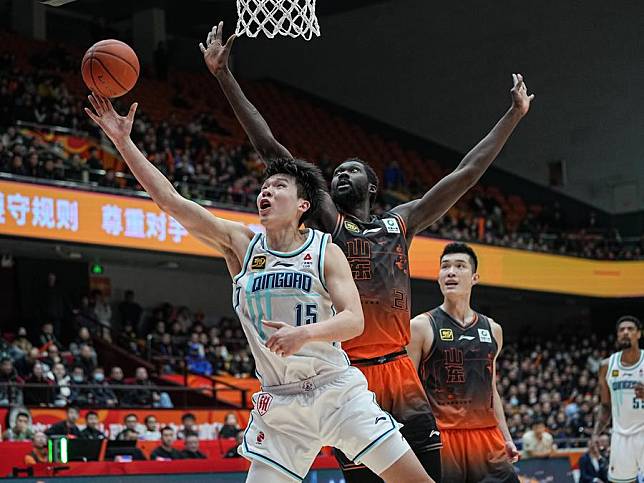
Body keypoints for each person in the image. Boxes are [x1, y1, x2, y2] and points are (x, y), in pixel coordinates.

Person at [202, 21, 534, 483]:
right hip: (350, 378)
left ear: (372, 185)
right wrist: (224, 76)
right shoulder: (327, 223)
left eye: (352, 170)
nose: (341, 174)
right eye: (336, 170)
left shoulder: (403, 222)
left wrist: (513, 116)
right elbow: (269, 148)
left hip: (400, 372)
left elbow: (466, 173)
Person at [86, 93, 434, 483]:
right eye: (263, 187)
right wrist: (122, 142)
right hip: (280, 403)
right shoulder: (241, 245)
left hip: (337, 392)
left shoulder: (325, 250)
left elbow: (354, 321)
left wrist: (305, 334)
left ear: (304, 204)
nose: (265, 192)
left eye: (278, 186)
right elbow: (170, 201)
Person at [407, 243, 519, 482]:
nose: (451, 272)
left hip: (487, 438)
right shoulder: (421, 326)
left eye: (460, 266)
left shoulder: (493, 329)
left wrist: (506, 437)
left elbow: (492, 391)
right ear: (438, 278)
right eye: (445, 267)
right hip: (442, 438)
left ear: (474, 277)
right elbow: (408, 391)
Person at [592, 316, 643, 483]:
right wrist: (595, 434)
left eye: (630, 329)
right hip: (621, 436)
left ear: (639, 334)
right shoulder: (607, 365)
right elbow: (605, 406)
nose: (625, 332)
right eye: (621, 330)